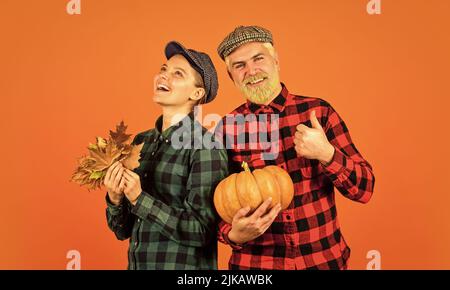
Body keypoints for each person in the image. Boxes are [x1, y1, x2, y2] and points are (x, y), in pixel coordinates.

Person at [215, 25, 375, 270]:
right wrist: (233, 235)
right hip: (256, 268)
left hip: (324, 262)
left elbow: (364, 189)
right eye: (239, 65)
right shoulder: (226, 129)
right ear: (231, 76)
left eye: (258, 58)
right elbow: (212, 208)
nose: (251, 71)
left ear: (276, 60)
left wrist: (326, 154)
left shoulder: (319, 112)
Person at [104, 41, 228, 269]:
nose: (163, 76)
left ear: (197, 93)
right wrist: (115, 198)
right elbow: (122, 231)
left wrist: (139, 199)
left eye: (177, 74)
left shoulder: (206, 147)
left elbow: (202, 231)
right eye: (163, 69)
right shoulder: (141, 141)